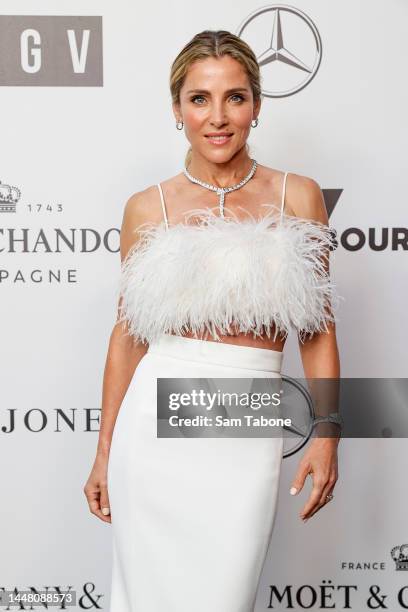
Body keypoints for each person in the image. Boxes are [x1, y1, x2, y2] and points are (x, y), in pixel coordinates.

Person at [84, 29, 341, 612]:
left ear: (257, 105)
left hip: (245, 423)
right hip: (152, 433)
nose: (218, 117)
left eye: (235, 97)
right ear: (177, 109)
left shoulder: (297, 197)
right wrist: (103, 452)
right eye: (199, 98)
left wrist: (328, 433)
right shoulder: (148, 206)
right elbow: (127, 339)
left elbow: (319, 330)